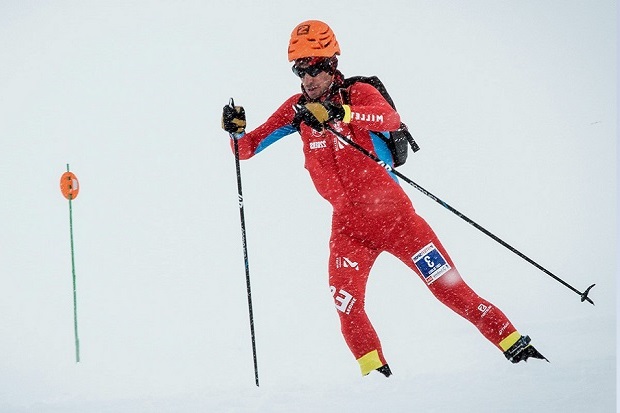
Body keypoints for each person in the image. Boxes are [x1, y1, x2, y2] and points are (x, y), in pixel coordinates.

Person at [221, 20, 547, 377]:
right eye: (300, 70)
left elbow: (390, 118)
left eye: (315, 68)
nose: (308, 78)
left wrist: (338, 113)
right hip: (348, 228)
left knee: (450, 289)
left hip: (399, 222)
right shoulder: (296, 109)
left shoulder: (357, 93)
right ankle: (376, 381)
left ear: (332, 66)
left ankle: (518, 348)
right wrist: (235, 132)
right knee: (346, 305)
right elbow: (247, 149)